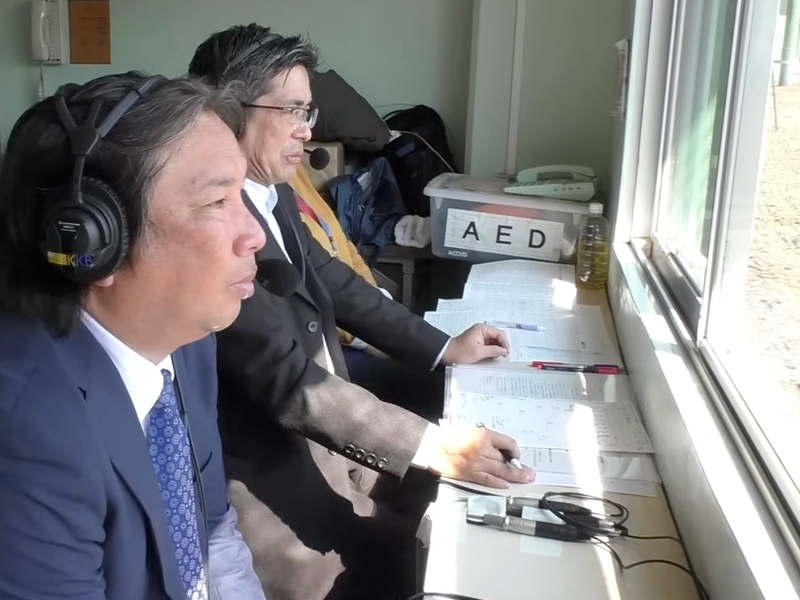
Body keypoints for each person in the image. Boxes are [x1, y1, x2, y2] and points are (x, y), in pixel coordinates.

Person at [188, 24, 535, 600]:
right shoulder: (216, 225)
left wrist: (443, 346)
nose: (307, 129)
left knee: (444, 516)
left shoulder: (271, 190)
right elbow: (289, 383)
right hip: (273, 482)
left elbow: (331, 278)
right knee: (423, 565)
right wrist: (439, 447)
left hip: (331, 447)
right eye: (291, 110)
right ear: (227, 111)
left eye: (308, 110)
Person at [0, 71, 267, 600]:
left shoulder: (187, 340)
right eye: (217, 202)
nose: (255, 233)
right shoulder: (29, 426)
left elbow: (215, 530)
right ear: (93, 241)